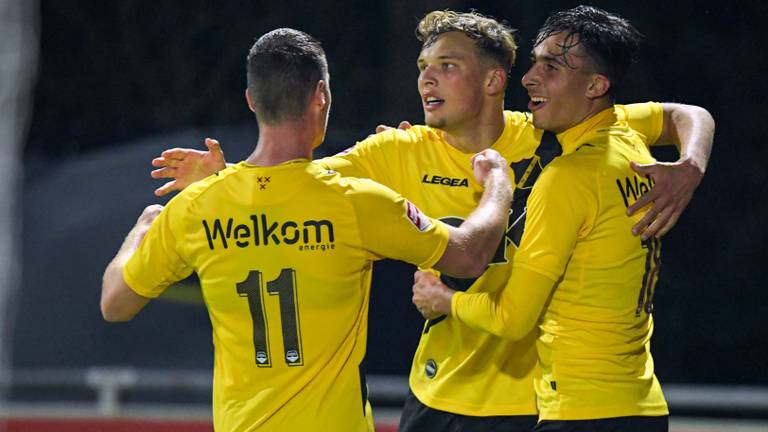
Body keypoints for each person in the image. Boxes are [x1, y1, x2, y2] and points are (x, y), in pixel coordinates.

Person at [149, 10, 714, 432]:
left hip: (534, 403)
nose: (426, 80)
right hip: (439, 397)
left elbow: (685, 114)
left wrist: (690, 166)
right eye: (423, 68)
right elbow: (297, 187)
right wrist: (228, 178)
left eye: (447, 66)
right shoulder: (396, 152)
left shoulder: (551, 134)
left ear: (493, 80)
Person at [100, 28, 516, 432]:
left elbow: (114, 304)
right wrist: (499, 183)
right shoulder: (356, 202)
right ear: (321, 96)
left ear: (251, 100)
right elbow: (469, 255)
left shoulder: (196, 207)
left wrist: (146, 224)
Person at [412, 6, 707, 431]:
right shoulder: (627, 139)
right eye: (535, 62)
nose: (529, 78)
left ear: (595, 85)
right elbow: (690, 113)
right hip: (640, 404)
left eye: (551, 67)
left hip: (580, 410)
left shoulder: (568, 177)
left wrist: (445, 300)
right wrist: (691, 165)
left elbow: (512, 319)